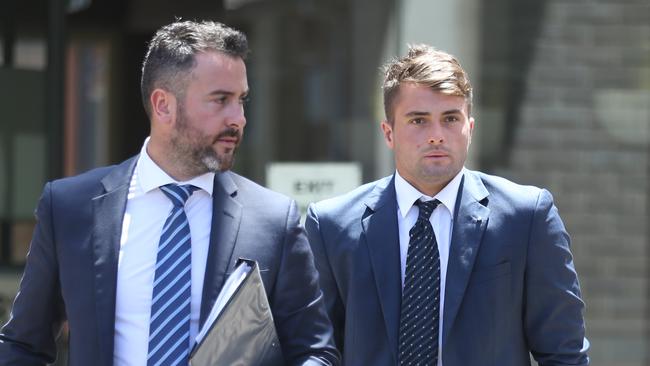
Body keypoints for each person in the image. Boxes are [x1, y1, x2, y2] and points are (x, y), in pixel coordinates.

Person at [0, 20, 339, 366]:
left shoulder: (272, 220)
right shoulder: (71, 208)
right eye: (220, 100)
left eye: (241, 101)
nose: (238, 118)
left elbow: (314, 352)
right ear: (163, 105)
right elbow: (22, 345)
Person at [305, 45, 589, 366]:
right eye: (418, 121)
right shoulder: (331, 226)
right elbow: (317, 350)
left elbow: (564, 353)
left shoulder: (526, 217)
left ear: (470, 128)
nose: (437, 135)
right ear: (388, 133)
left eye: (450, 119)